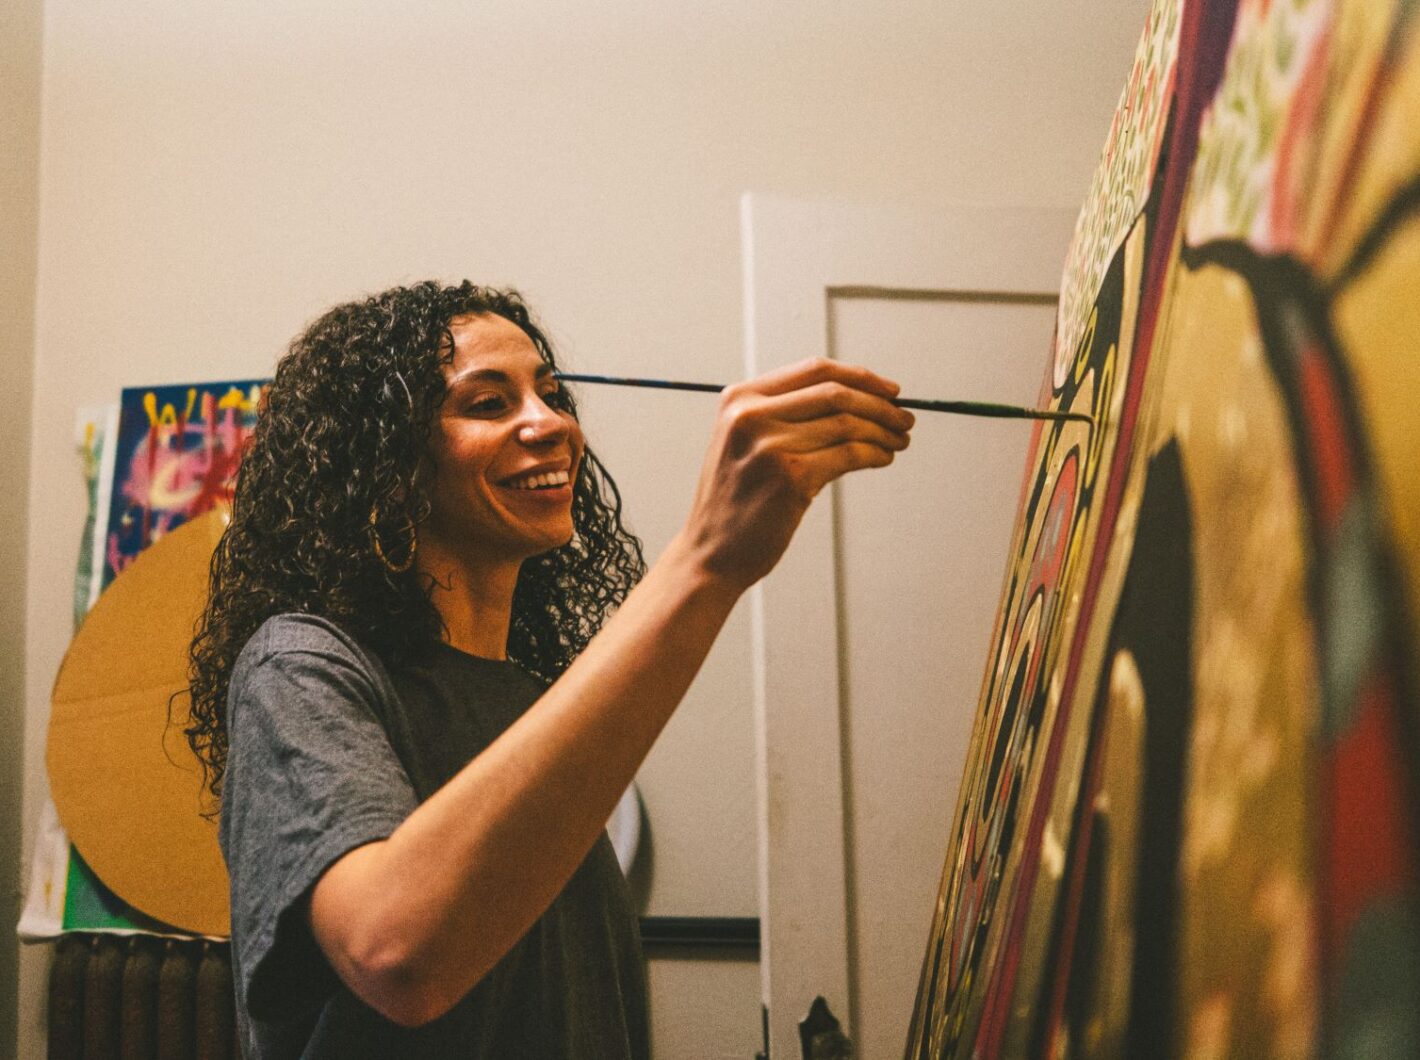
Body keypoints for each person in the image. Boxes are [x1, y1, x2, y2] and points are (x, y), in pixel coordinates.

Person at [186, 280, 913, 1058]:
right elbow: (397, 955)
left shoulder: (528, 698)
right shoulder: (301, 668)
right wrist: (706, 561)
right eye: (489, 403)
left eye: (552, 394)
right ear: (386, 460)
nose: (551, 424)